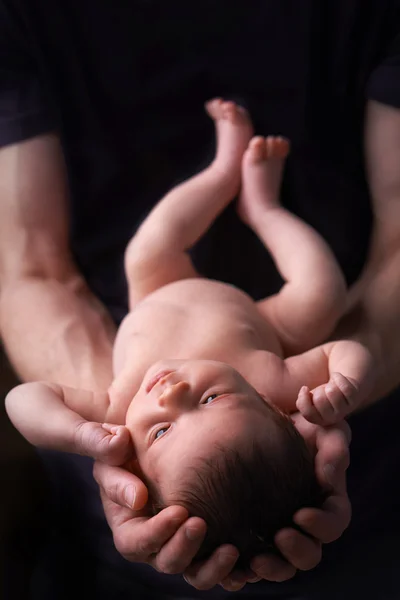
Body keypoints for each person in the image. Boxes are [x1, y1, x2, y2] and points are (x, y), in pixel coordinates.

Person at [0, 1, 399, 598]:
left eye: (159, 433)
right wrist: (346, 387)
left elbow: (23, 400)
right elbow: (344, 348)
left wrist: (78, 434)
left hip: (158, 285)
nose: (172, 393)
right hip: (267, 322)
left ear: (135, 463)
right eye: (212, 398)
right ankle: (261, 206)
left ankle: (220, 168)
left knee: (148, 252)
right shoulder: (276, 375)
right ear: (270, 407)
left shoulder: (115, 414)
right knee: (322, 293)